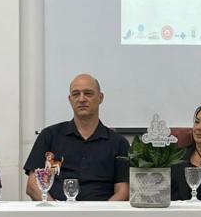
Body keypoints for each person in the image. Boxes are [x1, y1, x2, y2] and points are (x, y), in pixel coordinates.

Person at [24, 74, 129, 202]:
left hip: (102, 216)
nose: (81, 99)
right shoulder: (49, 136)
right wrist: (54, 212)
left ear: (100, 98)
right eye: (76, 94)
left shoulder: (118, 143)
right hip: (56, 216)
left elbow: (123, 191)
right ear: (70, 99)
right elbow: (33, 185)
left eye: (88, 93)